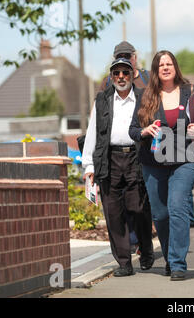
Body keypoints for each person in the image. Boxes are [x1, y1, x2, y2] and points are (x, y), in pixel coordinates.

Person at [129, 50, 194, 281]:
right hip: (153, 161)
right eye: (161, 65)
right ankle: (168, 257)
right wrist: (145, 131)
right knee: (161, 214)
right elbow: (133, 130)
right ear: (156, 70)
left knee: (177, 208)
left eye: (169, 64)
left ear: (175, 67)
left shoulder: (192, 91)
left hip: (184, 159)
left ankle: (177, 264)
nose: (165, 67)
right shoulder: (145, 95)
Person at [81, 58, 154, 277]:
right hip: (108, 159)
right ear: (111, 77)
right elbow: (92, 132)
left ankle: (146, 250)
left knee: (139, 208)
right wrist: (89, 166)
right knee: (113, 213)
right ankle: (124, 262)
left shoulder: (143, 98)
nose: (120, 77)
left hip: (136, 157)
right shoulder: (102, 100)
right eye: (116, 73)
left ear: (132, 75)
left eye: (125, 72)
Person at [98, 41, 157, 251]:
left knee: (140, 202)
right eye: (119, 56)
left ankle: (143, 242)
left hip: (143, 146)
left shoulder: (148, 77)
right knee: (121, 203)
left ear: (135, 57)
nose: (121, 74)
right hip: (115, 152)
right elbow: (99, 114)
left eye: (127, 55)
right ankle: (132, 244)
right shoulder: (108, 81)